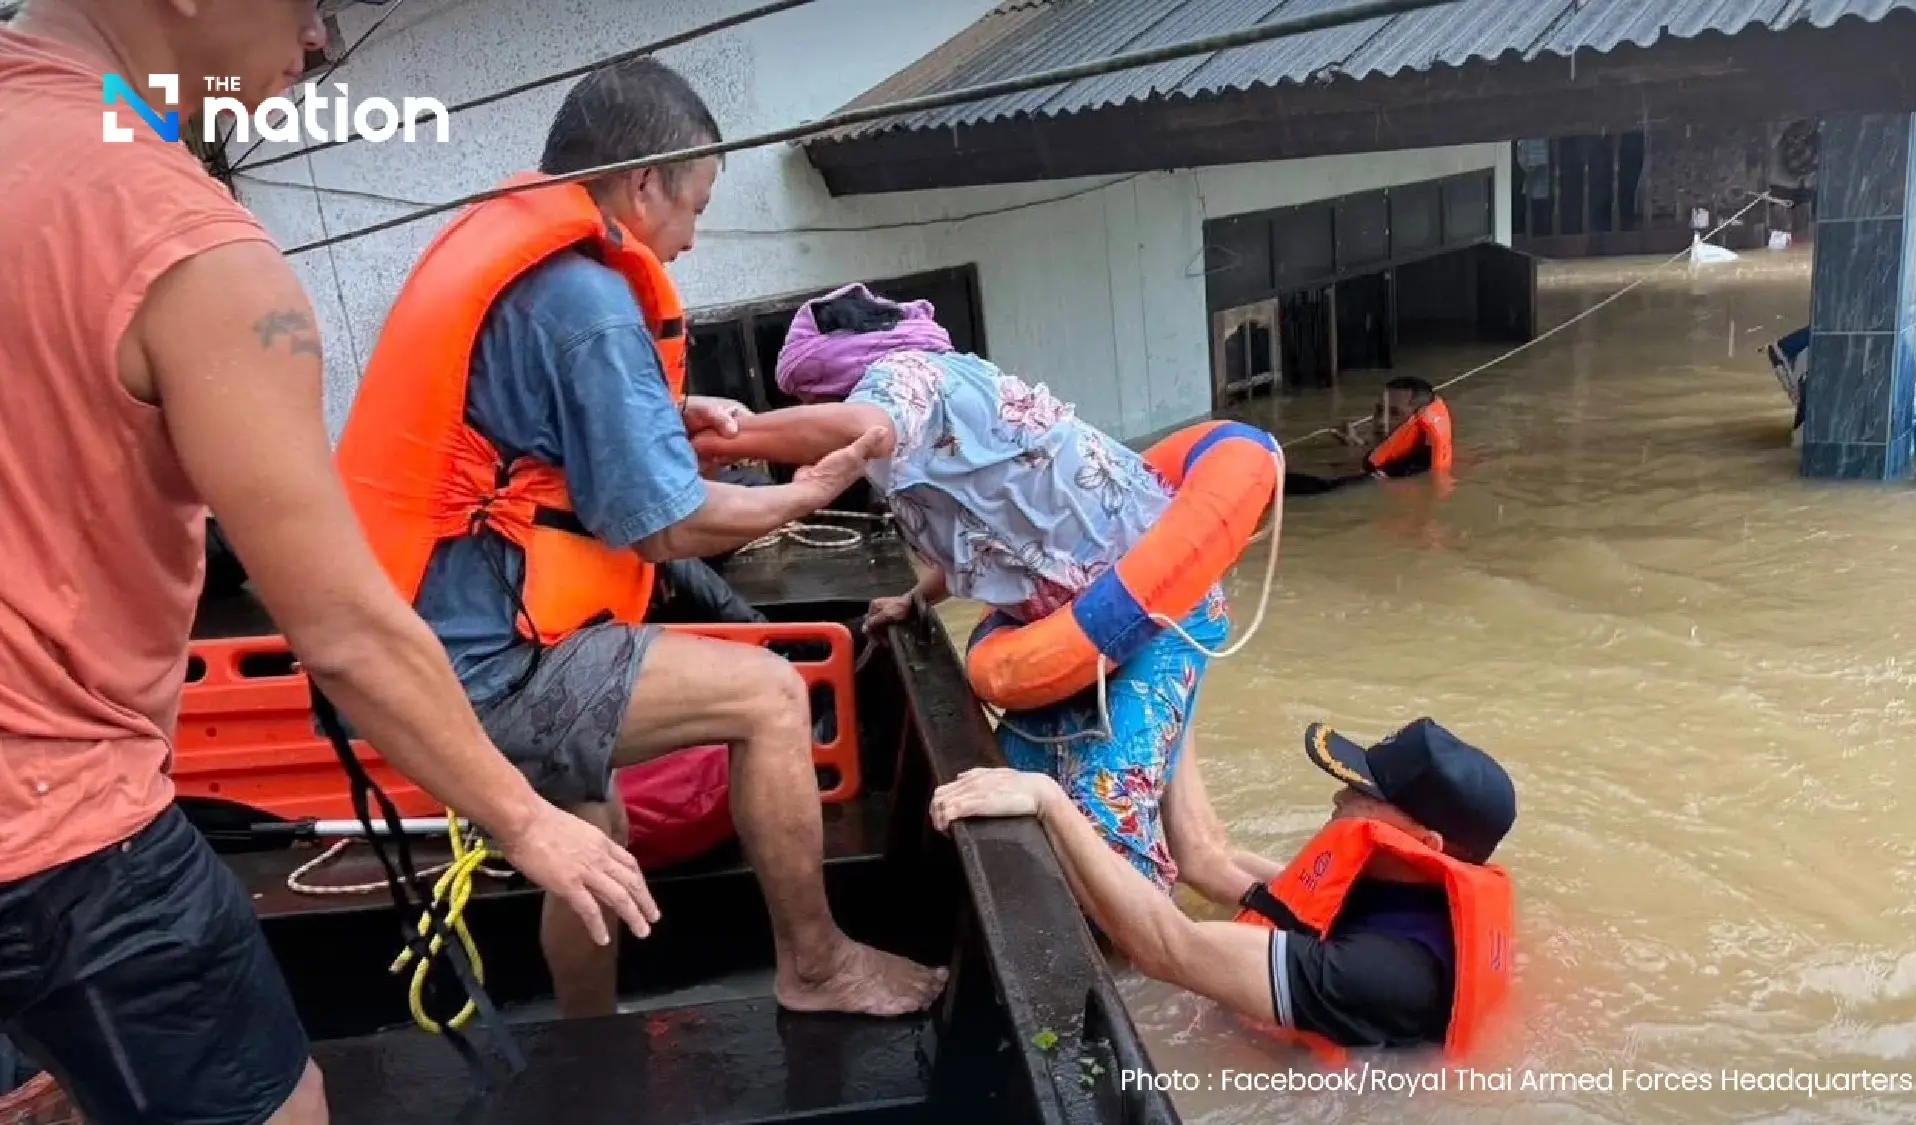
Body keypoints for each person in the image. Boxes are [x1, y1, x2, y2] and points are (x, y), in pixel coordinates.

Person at [0, 3, 661, 1124]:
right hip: (62, 835)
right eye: (315, 4)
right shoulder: (184, 243)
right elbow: (345, 631)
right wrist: (526, 820)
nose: (321, 43)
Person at [335, 61, 942, 1022]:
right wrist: (806, 491)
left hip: (422, 644)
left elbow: (529, 441)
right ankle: (818, 965)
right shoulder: (586, 302)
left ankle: (591, 1038)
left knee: (593, 823)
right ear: (644, 181)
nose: (693, 238)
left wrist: (665, 410)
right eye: (695, 205)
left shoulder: (530, 267)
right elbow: (668, 528)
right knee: (771, 696)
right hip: (493, 665)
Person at [689, 283, 1279, 906]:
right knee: (1197, 850)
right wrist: (914, 598)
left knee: (1109, 830)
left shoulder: (905, 377)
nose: (810, 420)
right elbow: (987, 534)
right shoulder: (931, 405)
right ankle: (1323, 915)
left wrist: (723, 438)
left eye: (811, 403)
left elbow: (867, 424)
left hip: (1155, 615)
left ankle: (1156, 992)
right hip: (1091, 626)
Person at [929, 718, 1517, 1058]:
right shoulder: (1395, 883)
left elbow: (1166, 949)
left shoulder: (1389, 970)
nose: (1340, 800)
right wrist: (1176, 706)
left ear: (1429, 843)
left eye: (1366, 797)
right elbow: (1207, 859)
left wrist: (1048, 802)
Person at [1282, 377, 1456, 496]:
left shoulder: (1407, 471)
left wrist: (1274, 473)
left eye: (1394, 413)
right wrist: (1357, 445)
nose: (1381, 421)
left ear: (1417, 423)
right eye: (1379, 410)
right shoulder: (1396, 453)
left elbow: (1327, 490)